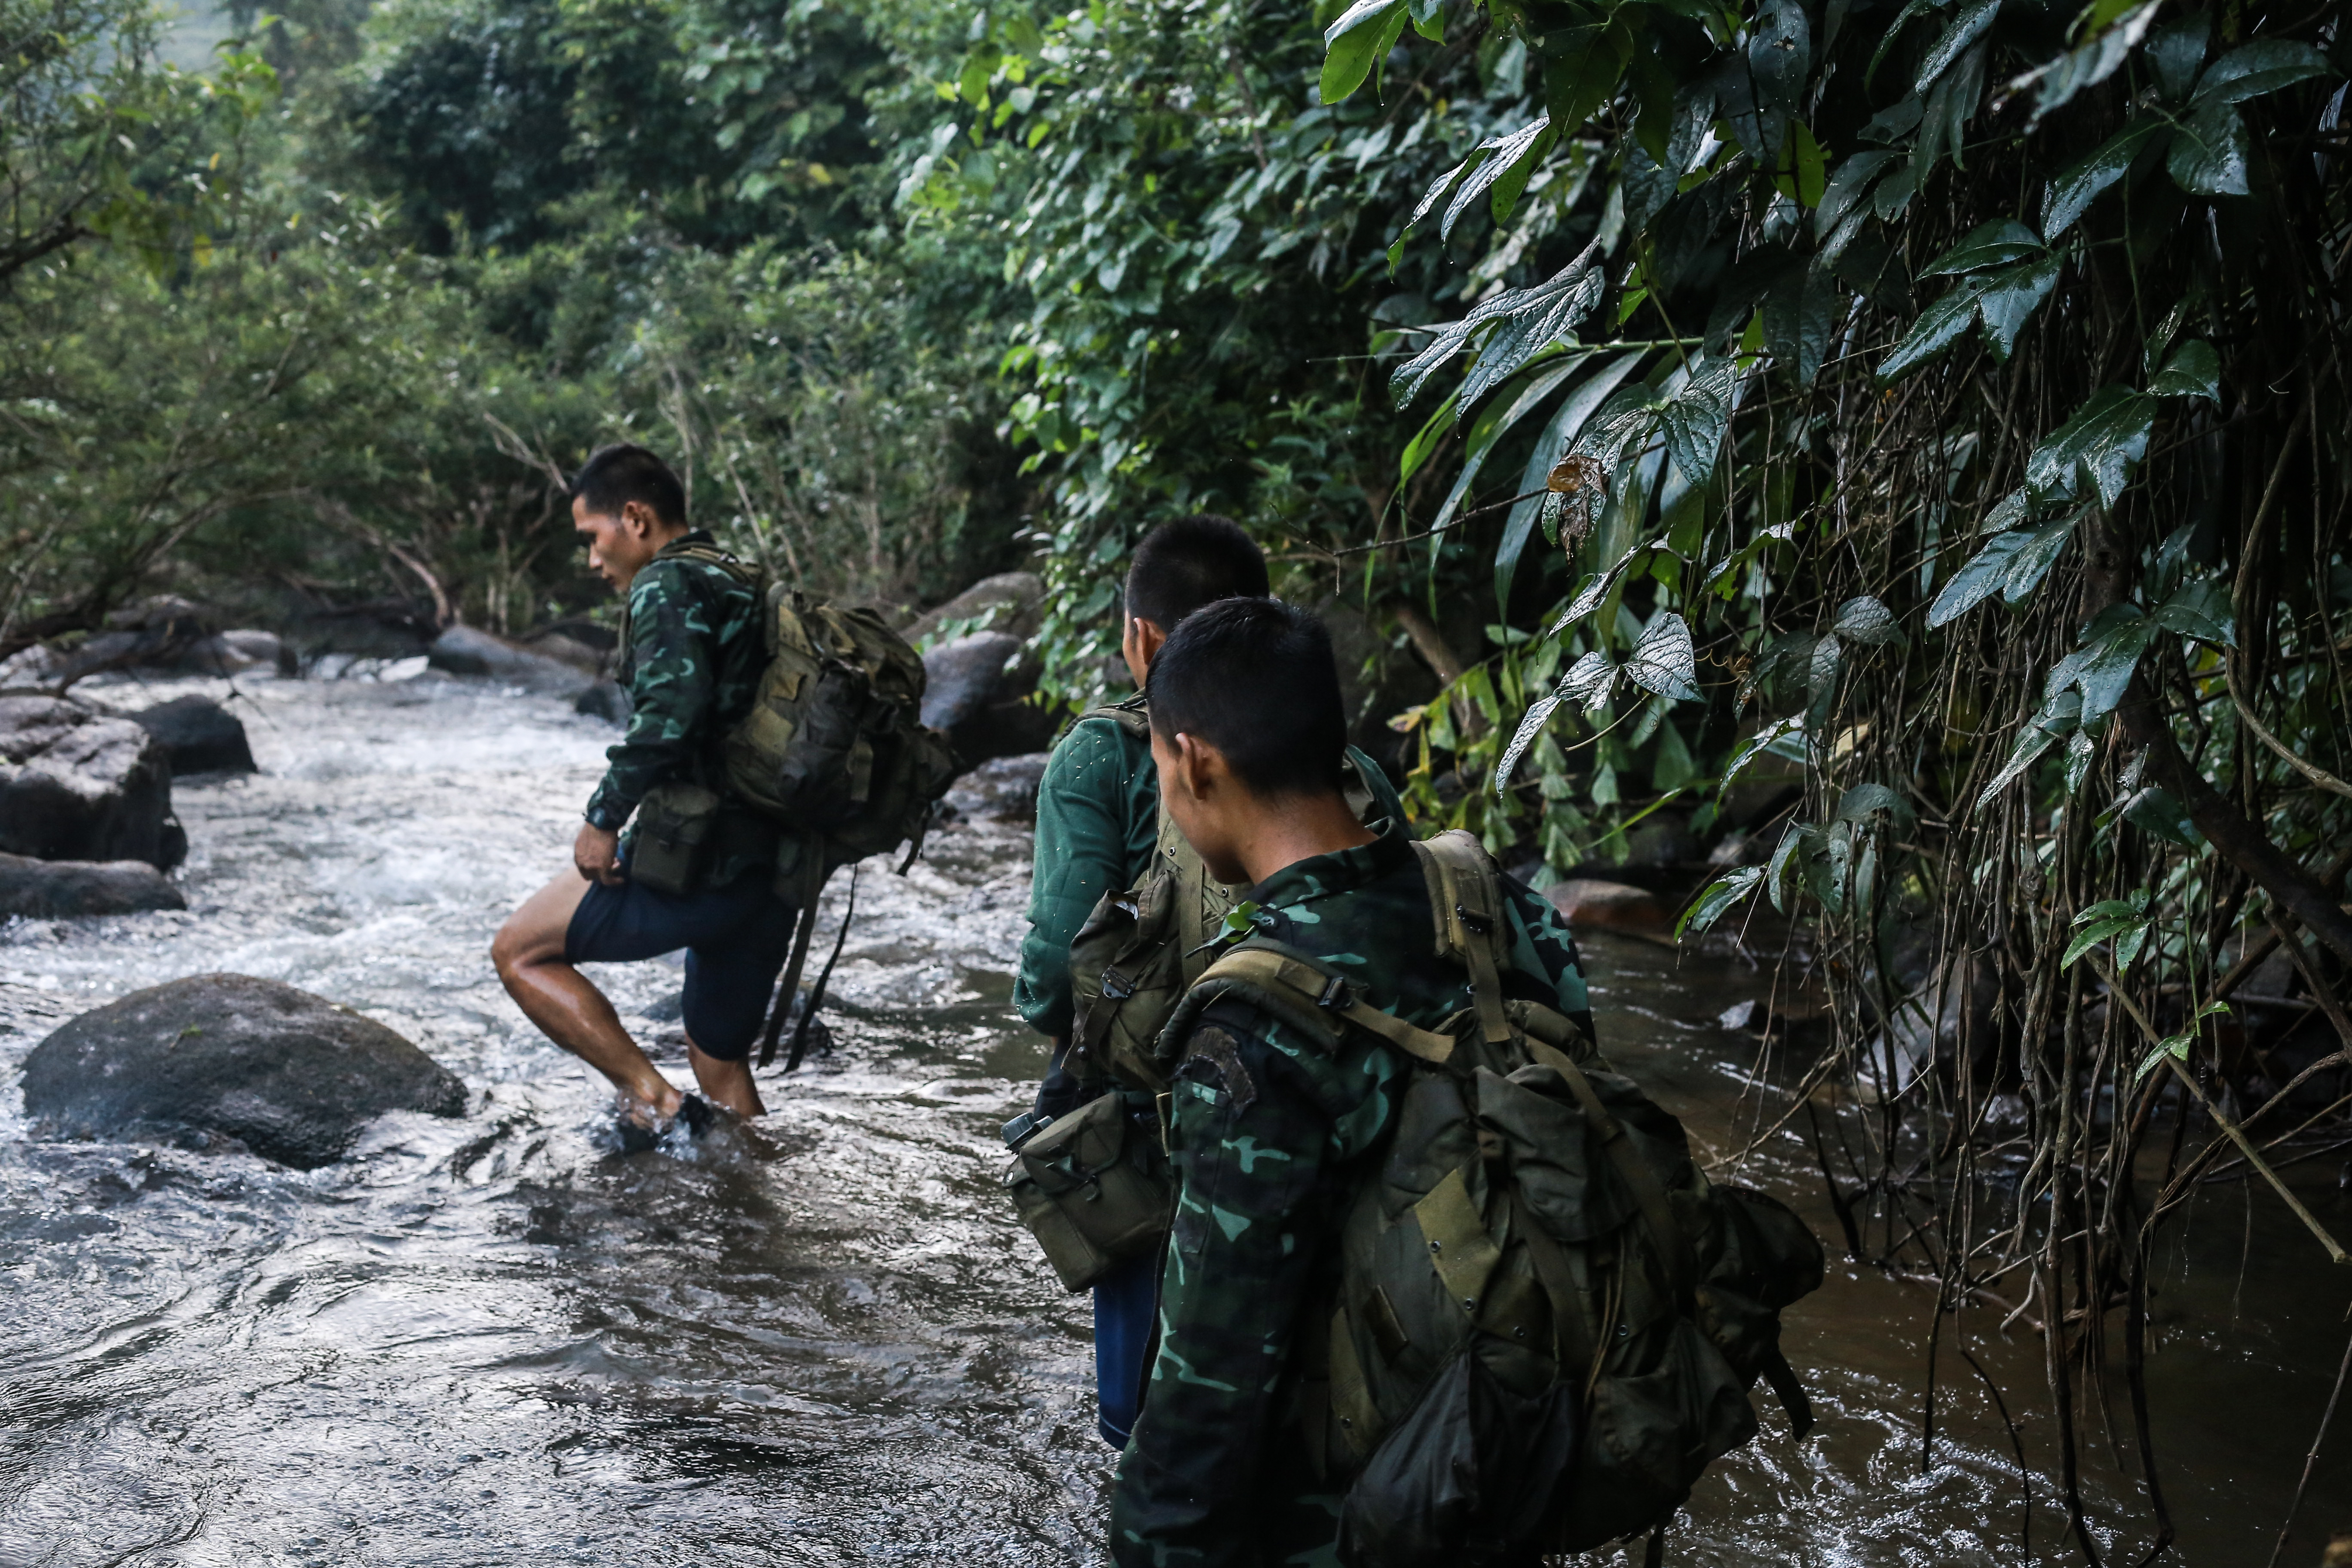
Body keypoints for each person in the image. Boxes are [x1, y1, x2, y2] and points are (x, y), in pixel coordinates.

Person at [1107, 597, 1593, 1567]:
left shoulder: (1250, 1024)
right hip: (1514, 1447)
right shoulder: (1497, 907)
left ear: (1195, 762)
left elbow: (1210, 1385)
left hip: (1354, 1520)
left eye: (1163, 767)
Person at [1012, 515, 1406, 1450]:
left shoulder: (1105, 754)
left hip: (1165, 1137)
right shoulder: (1346, 773)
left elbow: (1051, 976)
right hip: (1350, 1130)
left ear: (1143, 639)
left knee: (1152, 1433)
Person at [491, 444, 792, 1139]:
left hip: (705, 857)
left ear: (635, 518)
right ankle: (757, 1213)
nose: (593, 561)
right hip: (775, 859)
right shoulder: (739, 577)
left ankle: (654, 1102)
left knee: (519, 951)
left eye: (592, 539)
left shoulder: (666, 584)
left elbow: (669, 717)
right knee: (720, 1064)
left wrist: (602, 819)